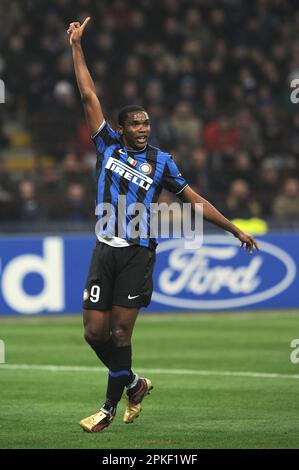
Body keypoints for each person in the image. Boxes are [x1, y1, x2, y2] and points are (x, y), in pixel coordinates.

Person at [67, 17, 259, 433]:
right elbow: (87, 93)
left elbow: (195, 202)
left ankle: (107, 408)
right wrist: (76, 46)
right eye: (135, 124)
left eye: (146, 124)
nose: (142, 129)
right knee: (93, 333)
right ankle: (135, 384)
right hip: (105, 249)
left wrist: (234, 229)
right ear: (121, 128)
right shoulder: (106, 144)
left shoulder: (163, 161)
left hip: (138, 252)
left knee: (119, 334)